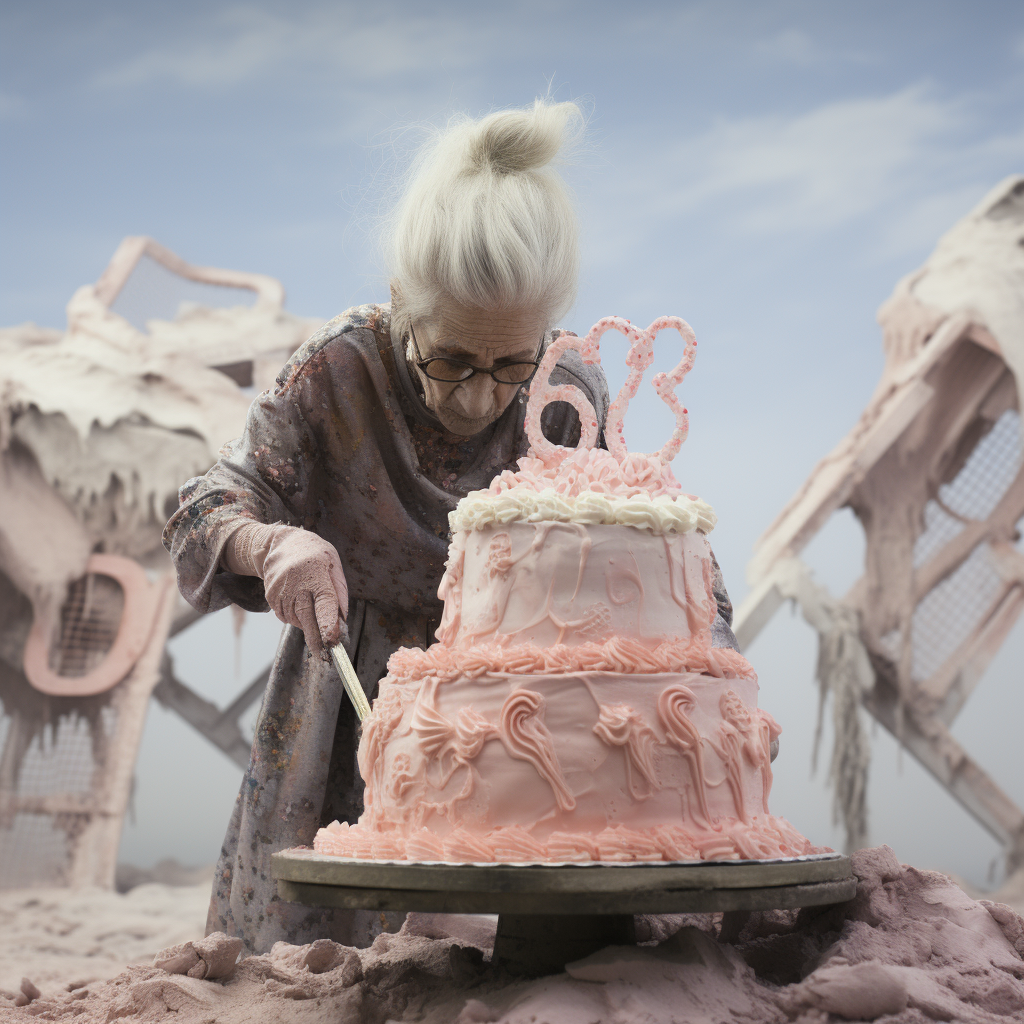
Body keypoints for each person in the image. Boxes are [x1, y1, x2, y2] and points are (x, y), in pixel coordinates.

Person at [163, 99, 737, 955]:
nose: (477, 396)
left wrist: (707, 672)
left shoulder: (567, 388)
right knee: (311, 971)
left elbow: (648, 537)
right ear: (401, 304)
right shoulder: (339, 369)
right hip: (350, 709)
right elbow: (202, 506)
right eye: (451, 360)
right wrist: (273, 542)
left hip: (528, 728)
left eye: (508, 365)